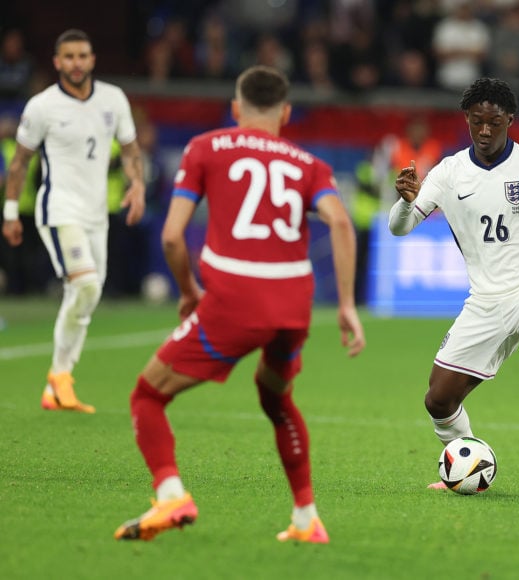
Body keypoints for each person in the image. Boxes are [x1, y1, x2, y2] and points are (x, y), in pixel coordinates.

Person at [113, 65, 366, 543]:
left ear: (235, 109)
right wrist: (348, 304)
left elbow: (171, 237)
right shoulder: (310, 165)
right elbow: (341, 224)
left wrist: (189, 292)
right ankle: (305, 517)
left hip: (234, 299)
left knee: (147, 396)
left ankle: (170, 496)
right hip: (293, 304)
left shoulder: (205, 147)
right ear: (286, 113)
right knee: (276, 396)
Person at [390, 77, 519, 496]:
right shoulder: (449, 173)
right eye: (477, 122)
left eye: (495, 122)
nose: (485, 131)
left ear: (510, 121)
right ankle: (463, 465)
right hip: (483, 301)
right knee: (438, 401)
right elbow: (401, 227)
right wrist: (405, 201)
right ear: (466, 119)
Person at [1, 29, 145, 413]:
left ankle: (57, 383)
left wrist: (138, 185)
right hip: (59, 210)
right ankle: (60, 377)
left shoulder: (113, 99)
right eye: (69, 57)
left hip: (98, 214)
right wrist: (11, 213)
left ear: (92, 59)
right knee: (83, 286)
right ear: (57, 62)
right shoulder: (43, 106)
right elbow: (19, 163)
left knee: (88, 292)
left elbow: (131, 150)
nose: (76, 63)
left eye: (82, 55)